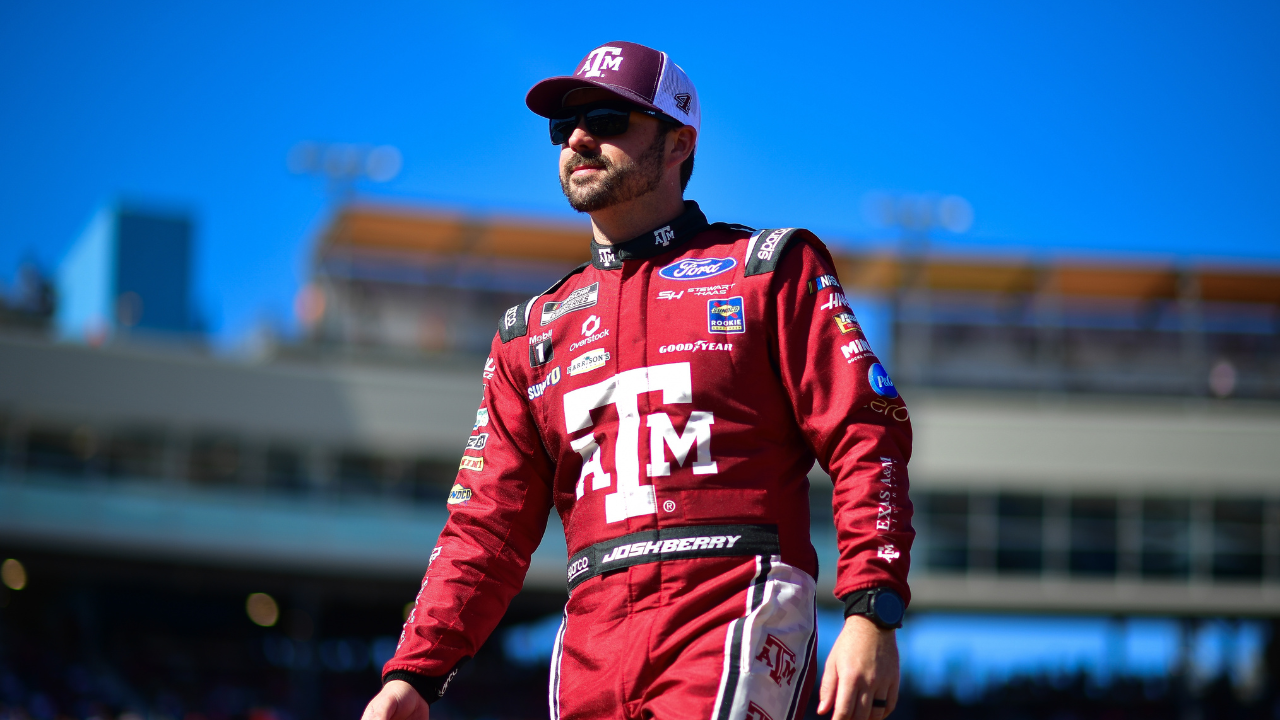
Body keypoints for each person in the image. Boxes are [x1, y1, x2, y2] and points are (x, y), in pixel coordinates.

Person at [362, 41, 914, 720]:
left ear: (680, 142)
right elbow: (484, 527)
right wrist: (413, 673)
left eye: (610, 119)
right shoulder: (528, 334)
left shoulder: (769, 268)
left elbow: (867, 433)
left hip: (734, 605)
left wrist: (871, 607)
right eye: (564, 129)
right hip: (590, 639)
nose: (580, 140)